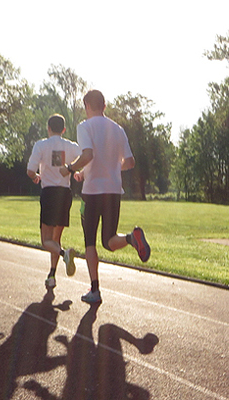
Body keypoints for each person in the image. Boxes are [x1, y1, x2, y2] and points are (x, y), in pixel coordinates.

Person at [59, 90, 151, 304]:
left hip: (91, 192)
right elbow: (130, 162)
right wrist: (109, 167)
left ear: (87, 107)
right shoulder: (117, 129)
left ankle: (95, 290)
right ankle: (131, 238)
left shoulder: (84, 126)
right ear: (105, 106)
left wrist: (70, 169)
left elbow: (88, 154)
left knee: (90, 242)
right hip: (113, 191)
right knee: (109, 240)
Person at [27, 114, 82, 289]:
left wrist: (36, 176)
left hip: (49, 193)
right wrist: (75, 170)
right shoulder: (71, 146)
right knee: (56, 238)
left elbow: (30, 170)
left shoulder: (41, 145)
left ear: (48, 128)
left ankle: (64, 253)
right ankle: (52, 275)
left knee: (46, 241)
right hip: (65, 194)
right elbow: (87, 157)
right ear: (64, 130)